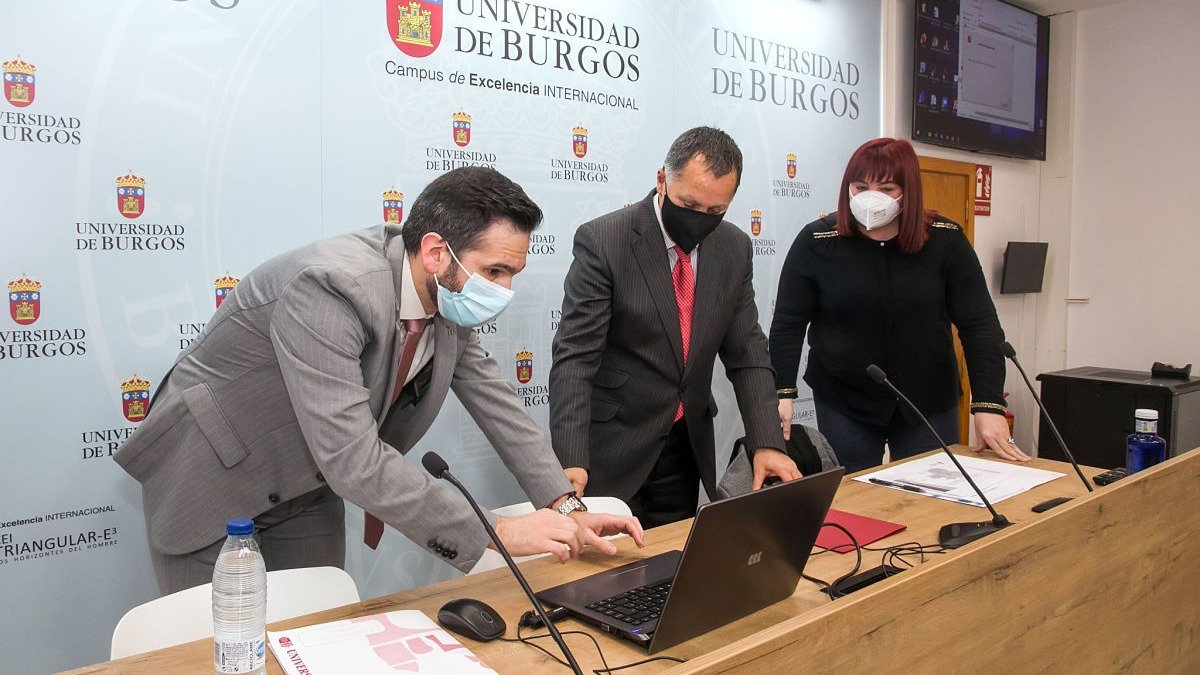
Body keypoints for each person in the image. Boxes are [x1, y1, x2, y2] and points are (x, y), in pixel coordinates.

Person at [115, 166, 643, 594]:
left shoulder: (445, 301)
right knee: (220, 652)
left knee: (314, 632)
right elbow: (353, 459)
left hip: (307, 483)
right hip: (212, 476)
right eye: (496, 271)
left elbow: (498, 405)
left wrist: (565, 506)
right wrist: (499, 531)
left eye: (513, 275)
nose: (504, 290)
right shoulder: (330, 287)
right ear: (437, 252)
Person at [549, 126, 801, 529]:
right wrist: (570, 458)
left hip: (684, 445)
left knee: (670, 564)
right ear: (662, 179)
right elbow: (576, 359)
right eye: (689, 204)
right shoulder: (605, 240)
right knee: (600, 576)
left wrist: (766, 441)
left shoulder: (734, 248)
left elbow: (748, 354)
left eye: (715, 212)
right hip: (609, 446)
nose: (700, 220)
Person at [769, 138, 1031, 473]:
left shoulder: (946, 240)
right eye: (860, 186)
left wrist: (988, 404)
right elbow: (788, 323)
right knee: (853, 500)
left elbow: (980, 326)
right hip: (845, 399)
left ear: (908, 191)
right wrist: (782, 393)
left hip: (928, 400)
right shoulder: (818, 241)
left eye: (887, 188)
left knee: (933, 500)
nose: (870, 198)